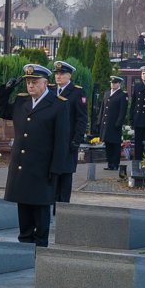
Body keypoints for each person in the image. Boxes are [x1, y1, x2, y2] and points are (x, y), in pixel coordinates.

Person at [0, 63, 73, 247]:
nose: (30, 86)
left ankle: (40, 247)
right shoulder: (22, 102)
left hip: (43, 167)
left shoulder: (58, 105)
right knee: (24, 208)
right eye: (28, 82)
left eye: (34, 82)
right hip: (22, 166)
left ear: (45, 83)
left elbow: (61, 140)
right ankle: (25, 244)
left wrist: (56, 168)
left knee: (41, 210)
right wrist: (7, 90)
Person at [51, 60, 88, 207]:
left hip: (68, 141)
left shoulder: (77, 92)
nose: (58, 77)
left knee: (65, 175)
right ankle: (51, 205)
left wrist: (77, 139)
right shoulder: (51, 90)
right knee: (52, 175)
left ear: (69, 76)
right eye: (57, 74)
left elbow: (81, 118)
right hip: (52, 140)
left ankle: (63, 207)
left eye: (62, 74)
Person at [99, 74, 128, 171]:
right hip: (106, 123)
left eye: (115, 83)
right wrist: (100, 120)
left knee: (115, 145)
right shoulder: (107, 93)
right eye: (112, 82)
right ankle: (109, 163)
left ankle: (115, 164)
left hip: (115, 123)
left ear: (119, 84)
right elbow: (103, 108)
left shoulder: (122, 94)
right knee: (108, 144)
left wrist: (119, 123)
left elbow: (122, 111)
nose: (113, 84)